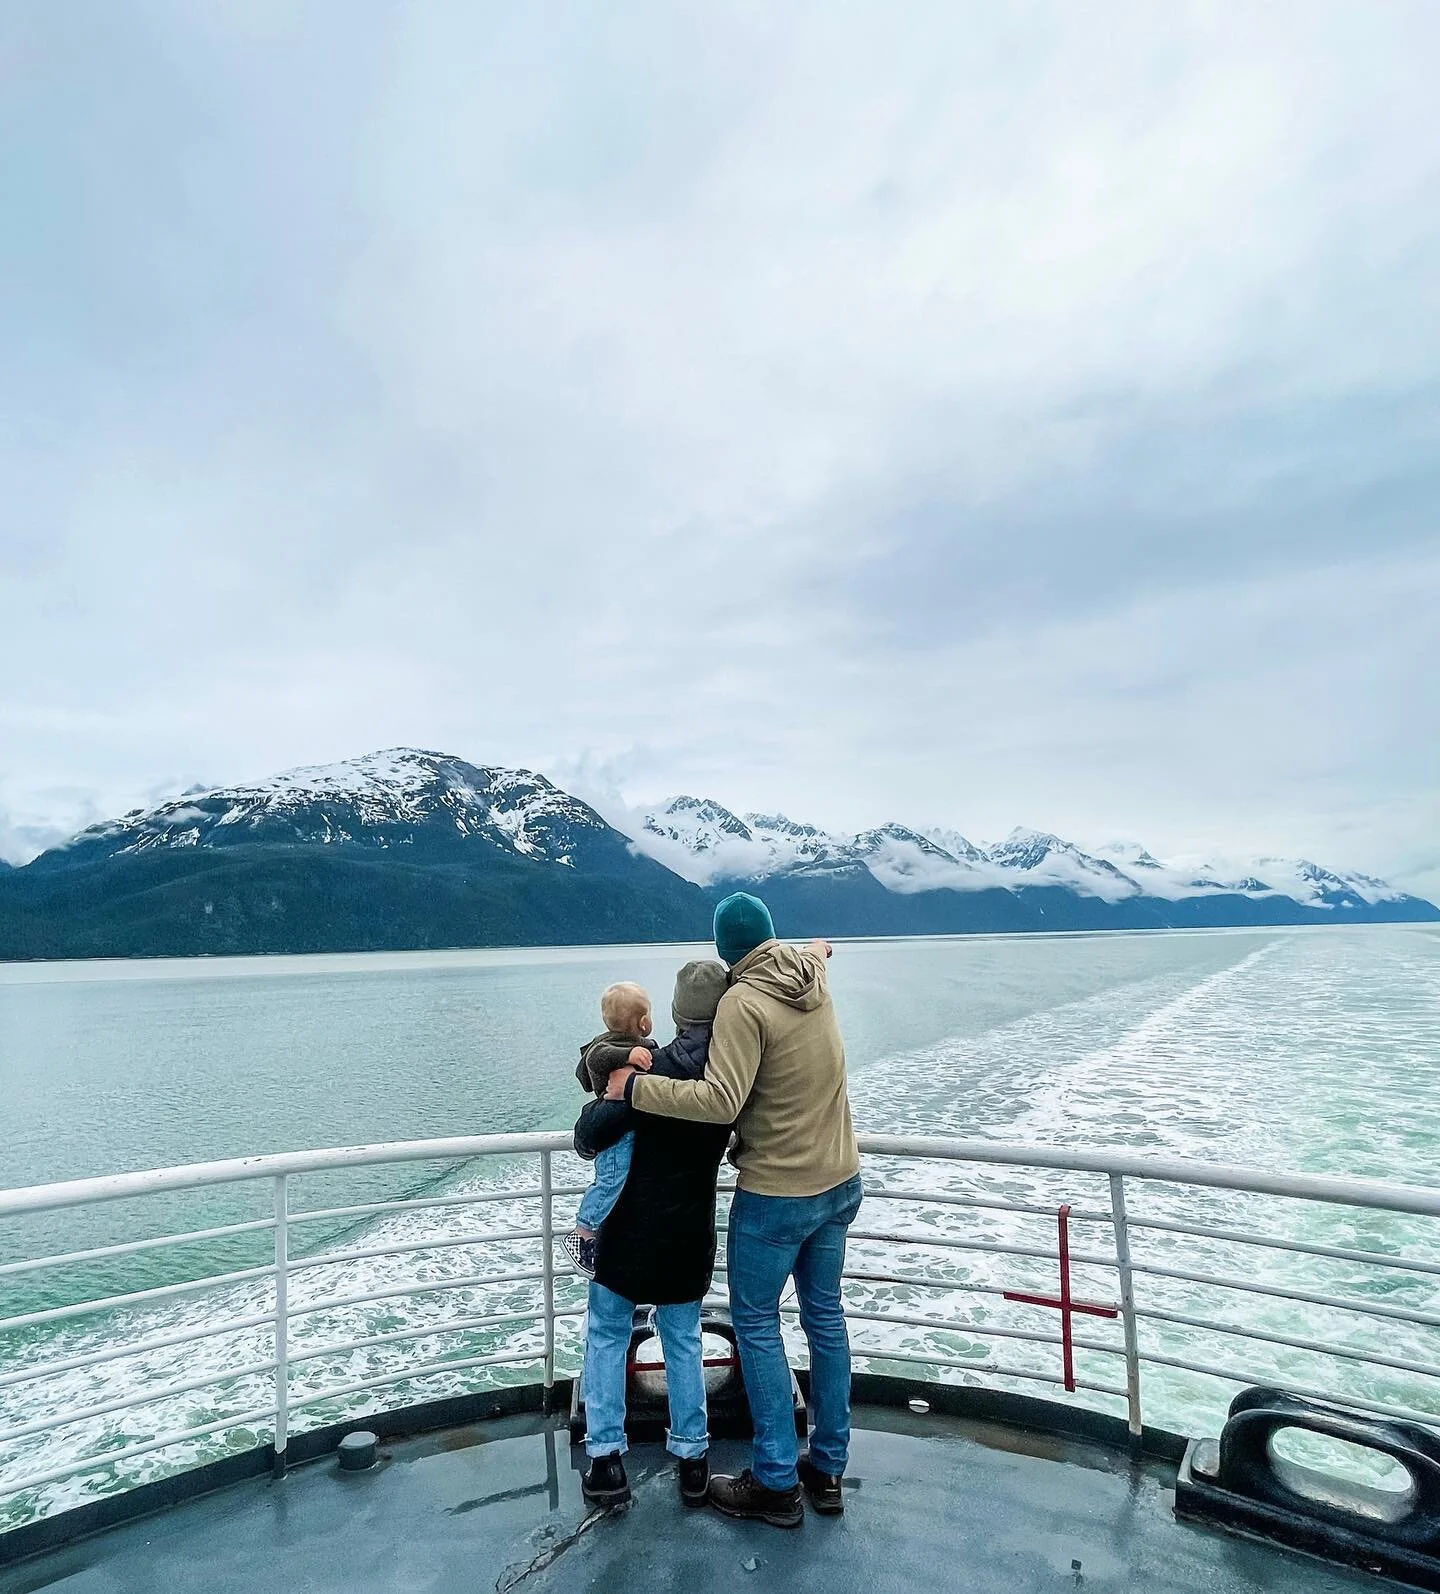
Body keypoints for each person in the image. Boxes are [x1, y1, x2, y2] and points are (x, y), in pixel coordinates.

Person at [606, 892, 862, 1528]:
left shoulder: (742, 1003)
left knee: (756, 1324)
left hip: (778, 1194)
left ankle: (775, 1482)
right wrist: (818, 947)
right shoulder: (810, 973)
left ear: (725, 952)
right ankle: (828, 1469)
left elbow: (719, 1101)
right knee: (825, 1319)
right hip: (840, 1180)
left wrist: (636, 1087)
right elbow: (818, 950)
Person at [572, 965, 735, 1508]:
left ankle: (606, 1462)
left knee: (606, 1334)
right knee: (683, 1340)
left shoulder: (647, 1069)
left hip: (625, 1235)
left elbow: (589, 1135)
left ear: (675, 1013)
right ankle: (693, 1460)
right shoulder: (730, 1081)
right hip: (687, 1236)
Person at [562, 980, 657, 1277]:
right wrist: (628, 1056)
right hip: (617, 1133)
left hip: (624, 1128)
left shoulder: (626, 1045)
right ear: (644, 1022)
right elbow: (596, 1058)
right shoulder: (608, 1047)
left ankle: (595, 1231)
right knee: (611, 1179)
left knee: (618, 1180)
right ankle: (582, 1231)